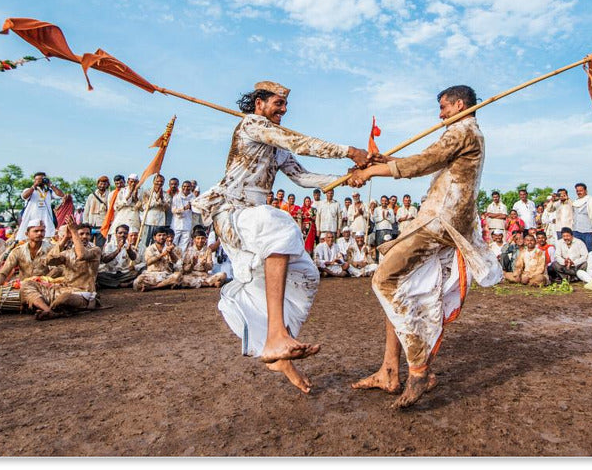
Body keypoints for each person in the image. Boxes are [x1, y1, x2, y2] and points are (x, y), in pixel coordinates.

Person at [190, 80, 368, 394]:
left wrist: (348, 177)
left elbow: (303, 177)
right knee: (282, 225)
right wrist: (349, 151)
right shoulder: (252, 125)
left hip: (254, 214)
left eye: (285, 105)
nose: (283, 110)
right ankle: (275, 337)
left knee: (308, 275)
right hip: (233, 211)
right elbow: (301, 142)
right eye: (278, 104)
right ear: (259, 103)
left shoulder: (275, 141)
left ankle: (277, 349)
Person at [348, 84, 501, 409]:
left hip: (441, 221)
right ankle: (390, 370)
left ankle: (419, 370)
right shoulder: (464, 133)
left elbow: (422, 163)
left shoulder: (463, 130)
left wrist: (373, 170)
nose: (440, 114)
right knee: (396, 276)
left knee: (384, 280)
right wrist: (385, 160)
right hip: (439, 219)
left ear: (459, 104)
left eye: (443, 107)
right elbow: (428, 161)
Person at [21, 223, 103, 320]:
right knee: (27, 284)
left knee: (65, 298)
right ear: (73, 237)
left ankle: (49, 309)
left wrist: (74, 232)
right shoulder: (67, 253)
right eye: (81, 234)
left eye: (87, 234)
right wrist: (65, 238)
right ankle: (48, 310)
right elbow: (48, 260)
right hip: (62, 290)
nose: (85, 237)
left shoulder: (95, 250)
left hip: (83, 294)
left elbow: (81, 255)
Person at [0, 221, 58, 309]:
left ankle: (45, 309)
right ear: (27, 234)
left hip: (46, 286)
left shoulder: (51, 249)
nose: (40, 233)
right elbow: (4, 271)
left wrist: (43, 281)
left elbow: (57, 269)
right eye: (36, 231)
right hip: (23, 286)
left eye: (42, 231)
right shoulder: (18, 251)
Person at [16, 173, 65, 240]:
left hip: (46, 221)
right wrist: (34, 186)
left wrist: (51, 185)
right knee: (27, 239)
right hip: (31, 220)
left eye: (42, 179)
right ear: (34, 180)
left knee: (47, 241)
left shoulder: (48, 191)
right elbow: (24, 196)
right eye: (37, 179)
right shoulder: (30, 190)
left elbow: (61, 195)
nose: (40, 181)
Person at [571, 183, 592, 251]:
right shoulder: (575, 202)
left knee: (590, 251)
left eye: (581, 190)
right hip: (576, 231)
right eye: (577, 191)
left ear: (586, 191)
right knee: (578, 251)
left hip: (589, 232)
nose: (579, 192)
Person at [83, 176, 111, 247]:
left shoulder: (110, 195)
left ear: (107, 185)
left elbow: (111, 211)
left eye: (104, 184)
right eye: (100, 184)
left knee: (100, 246)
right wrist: (85, 222)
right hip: (91, 224)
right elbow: (86, 210)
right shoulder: (91, 196)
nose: (102, 186)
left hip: (102, 224)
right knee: (87, 244)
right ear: (98, 184)